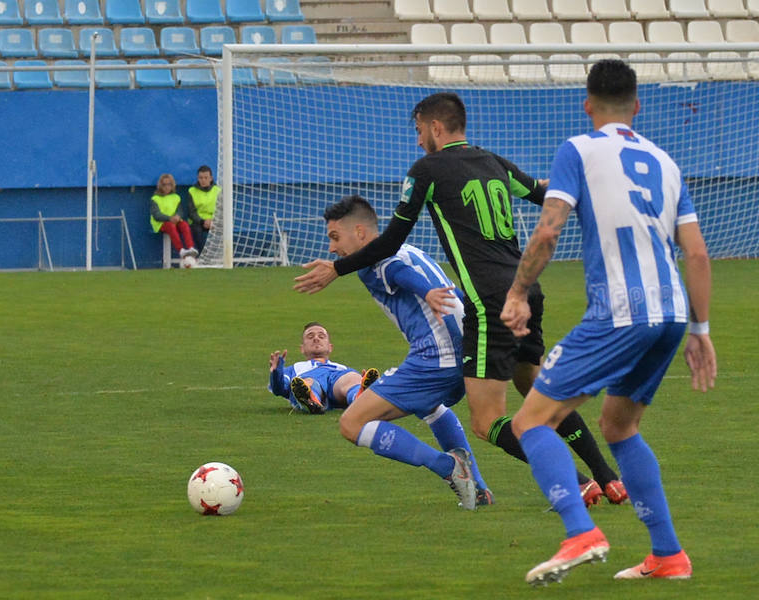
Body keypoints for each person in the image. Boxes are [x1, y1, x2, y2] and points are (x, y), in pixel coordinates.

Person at [294, 92, 626, 507]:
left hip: (490, 302)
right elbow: (544, 193)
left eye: (418, 131)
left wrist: (335, 270)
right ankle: (606, 476)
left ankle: (575, 482)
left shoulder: (426, 171)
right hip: (527, 290)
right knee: (536, 389)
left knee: (488, 422)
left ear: (435, 128)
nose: (417, 141)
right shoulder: (493, 162)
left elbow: (392, 241)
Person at [499, 59, 717, 585]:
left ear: (587, 104)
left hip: (621, 311)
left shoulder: (578, 149)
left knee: (531, 421)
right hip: (669, 313)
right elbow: (697, 253)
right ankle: (668, 556)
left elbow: (548, 232)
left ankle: (581, 532)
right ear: (637, 106)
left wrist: (518, 292)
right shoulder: (666, 162)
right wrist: (700, 330)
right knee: (620, 426)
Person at [324, 194, 487, 509]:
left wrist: (426, 291)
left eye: (335, 237)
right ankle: (478, 489)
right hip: (464, 350)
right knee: (431, 408)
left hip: (436, 361)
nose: (332, 248)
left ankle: (448, 467)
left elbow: (399, 273)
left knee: (351, 423)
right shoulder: (407, 247)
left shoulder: (376, 263)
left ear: (359, 232)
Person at [268, 321, 379, 415]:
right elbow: (279, 389)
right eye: (310, 337)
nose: (316, 339)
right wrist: (276, 372)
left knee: (352, 378)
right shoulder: (296, 368)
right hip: (312, 380)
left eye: (321, 336)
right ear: (302, 348)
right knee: (307, 381)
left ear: (330, 347)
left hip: (336, 382)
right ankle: (311, 399)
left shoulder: (341, 368)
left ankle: (359, 395)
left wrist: (361, 380)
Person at [149, 173, 198, 261]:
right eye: (164, 185)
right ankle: (181, 250)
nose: (167, 187)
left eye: (169, 184)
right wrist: (169, 218)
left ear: (172, 185)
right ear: (160, 186)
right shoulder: (155, 199)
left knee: (184, 224)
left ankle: (190, 248)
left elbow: (180, 211)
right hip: (161, 224)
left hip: (174, 221)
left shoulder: (176, 197)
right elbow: (156, 215)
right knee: (170, 226)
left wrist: (178, 217)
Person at [188, 165, 220, 252]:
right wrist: (203, 221)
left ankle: (220, 255)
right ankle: (203, 255)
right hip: (198, 222)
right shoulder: (192, 191)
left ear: (211, 178)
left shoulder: (218, 190)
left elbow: (222, 210)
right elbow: (191, 212)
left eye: (206, 177)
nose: (203, 180)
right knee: (196, 230)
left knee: (224, 228)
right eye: (200, 178)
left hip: (214, 221)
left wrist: (213, 221)